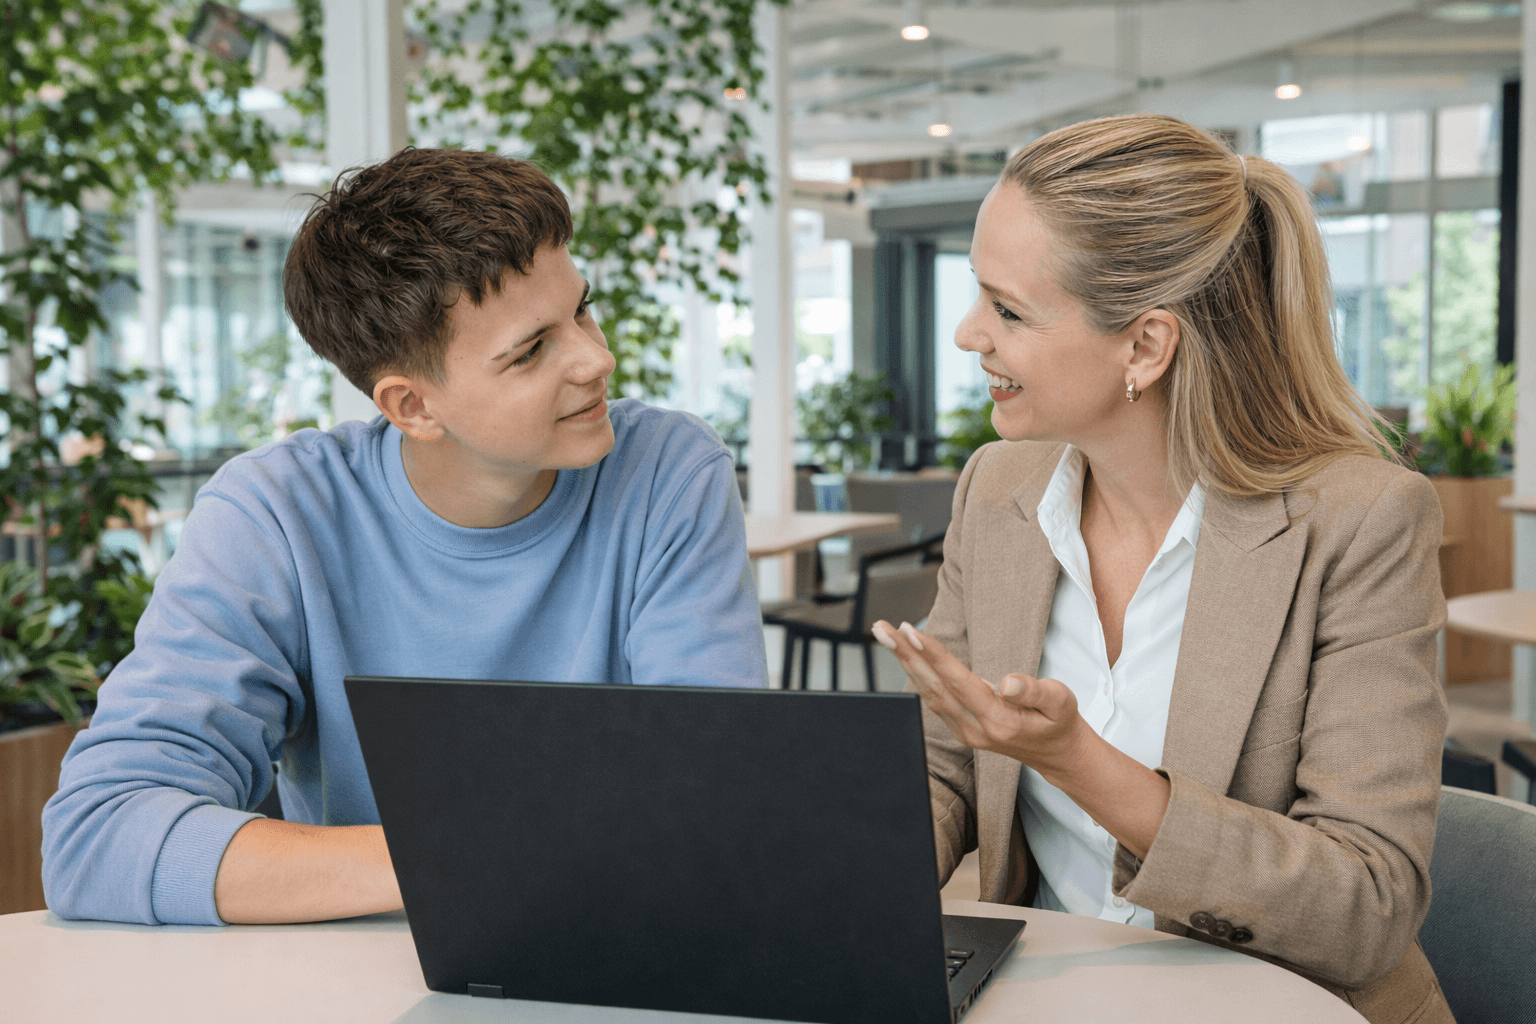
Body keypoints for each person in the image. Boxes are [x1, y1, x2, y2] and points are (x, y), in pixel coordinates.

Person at [42, 148, 768, 927]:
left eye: (581, 311)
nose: (598, 358)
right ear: (412, 406)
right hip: (358, 974)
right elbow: (97, 835)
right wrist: (468, 856)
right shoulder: (278, 514)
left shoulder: (667, 471)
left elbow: (715, 806)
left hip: (620, 953)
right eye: (531, 351)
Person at [872, 115, 1453, 1024]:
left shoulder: (1359, 522)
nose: (967, 333)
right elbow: (941, 772)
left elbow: (1366, 905)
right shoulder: (999, 492)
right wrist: (823, 875)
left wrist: (1079, 763)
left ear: (1145, 346)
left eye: (1008, 309)